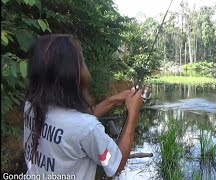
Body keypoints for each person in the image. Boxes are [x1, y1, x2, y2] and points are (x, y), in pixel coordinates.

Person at [23, 34, 144, 179]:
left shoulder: (31, 107)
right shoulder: (87, 128)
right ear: (71, 73)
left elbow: (74, 128)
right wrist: (133, 113)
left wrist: (114, 100)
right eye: (82, 60)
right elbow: (117, 164)